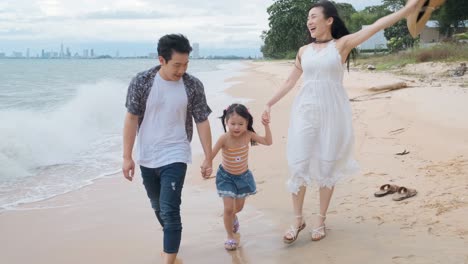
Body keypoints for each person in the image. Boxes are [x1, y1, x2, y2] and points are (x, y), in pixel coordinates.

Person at [261, 0, 420, 244]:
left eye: (314, 16)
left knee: (327, 167)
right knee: (298, 164)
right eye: (308, 18)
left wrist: (407, 10)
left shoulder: (341, 45)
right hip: (305, 112)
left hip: (332, 114)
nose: (309, 21)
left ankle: (321, 219)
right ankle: (297, 219)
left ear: (329, 20)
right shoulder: (304, 51)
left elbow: (376, 26)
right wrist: (269, 103)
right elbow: (289, 82)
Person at [122, 34, 213, 264]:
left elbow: (202, 121)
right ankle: (172, 240)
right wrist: (127, 157)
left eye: (186, 64)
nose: (182, 70)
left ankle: (169, 258)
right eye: (177, 65)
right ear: (161, 59)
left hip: (176, 153)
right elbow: (131, 118)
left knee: (170, 210)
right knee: (159, 207)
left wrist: (208, 157)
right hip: (147, 156)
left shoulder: (192, 85)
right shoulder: (142, 82)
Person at [210, 103, 272, 250]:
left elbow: (268, 142)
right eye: (232, 124)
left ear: (247, 123)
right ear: (226, 122)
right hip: (226, 178)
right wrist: (206, 165)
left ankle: (233, 217)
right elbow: (210, 156)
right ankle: (230, 236)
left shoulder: (249, 135)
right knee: (228, 208)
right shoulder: (223, 139)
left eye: (240, 124)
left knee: (238, 208)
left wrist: (266, 126)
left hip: (243, 178)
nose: (236, 127)